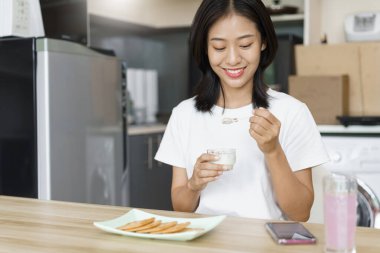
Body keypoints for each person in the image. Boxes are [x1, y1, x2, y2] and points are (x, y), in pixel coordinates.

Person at [155, 0, 329, 221]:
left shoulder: (292, 112)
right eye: (219, 47)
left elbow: (300, 213)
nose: (233, 59)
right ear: (205, 48)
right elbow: (181, 209)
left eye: (245, 45)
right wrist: (193, 185)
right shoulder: (184, 115)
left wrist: (273, 150)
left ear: (263, 42)